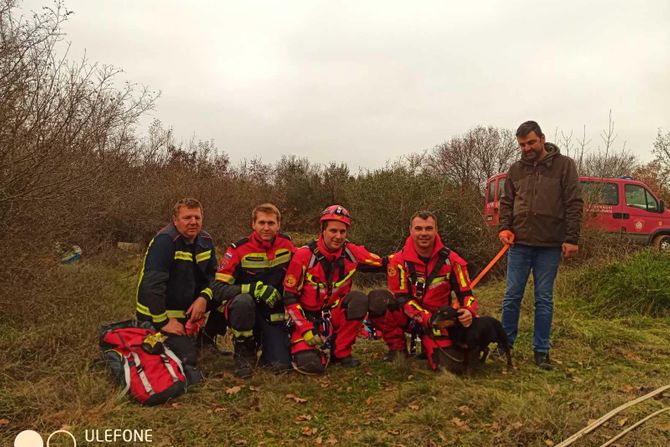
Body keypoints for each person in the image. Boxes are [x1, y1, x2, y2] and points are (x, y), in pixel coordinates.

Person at [499, 120, 583, 370]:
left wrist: (571, 238)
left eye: (531, 142)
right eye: (523, 144)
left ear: (542, 139)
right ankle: (505, 346)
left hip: (549, 245)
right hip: (519, 245)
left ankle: (541, 351)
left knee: (543, 299)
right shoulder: (515, 170)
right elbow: (506, 202)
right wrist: (504, 227)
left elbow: (574, 203)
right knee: (511, 297)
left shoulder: (564, 166)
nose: (527, 148)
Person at [370, 211, 478, 373]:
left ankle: (429, 345)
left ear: (436, 230)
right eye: (419, 228)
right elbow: (402, 299)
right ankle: (398, 349)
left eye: (428, 229)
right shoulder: (398, 261)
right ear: (410, 230)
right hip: (411, 317)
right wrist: (426, 318)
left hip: (439, 320)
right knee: (378, 301)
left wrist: (469, 310)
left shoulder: (453, 260)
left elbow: (467, 295)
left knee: (450, 368)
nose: (424, 233)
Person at [283, 205, 385, 374]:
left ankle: (341, 352)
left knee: (358, 299)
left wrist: (418, 245)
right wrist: (305, 329)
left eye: (342, 232)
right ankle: (305, 348)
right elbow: (290, 298)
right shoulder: (303, 256)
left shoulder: (352, 252)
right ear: (322, 229)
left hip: (334, 315)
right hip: (307, 319)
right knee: (311, 366)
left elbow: (385, 262)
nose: (338, 236)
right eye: (333, 231)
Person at [206, 203, 296, 378]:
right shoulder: (238, 249)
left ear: (278, 225)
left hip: (272, 312)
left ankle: (265, 343)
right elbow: (218, 289)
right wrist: (253, 289)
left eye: (271, 223)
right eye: (261, 223)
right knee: (243, 302)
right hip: (245, 310)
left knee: (281, 366)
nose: (266, 228)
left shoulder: (287, 244)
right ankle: (243, 349)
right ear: (253, 224)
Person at [135, 198, 217, 381]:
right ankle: (147, 340)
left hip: (186, 310)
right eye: (187, 217)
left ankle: (206, 339)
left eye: (197, 217)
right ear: (175, 219)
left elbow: (213, 277)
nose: (193, 222)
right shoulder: (165, 242)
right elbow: (152, 286)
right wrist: (164, 322)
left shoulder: (205, 240)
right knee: (188, 357)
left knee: (229, 294)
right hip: (156, 315)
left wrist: (203, 298)